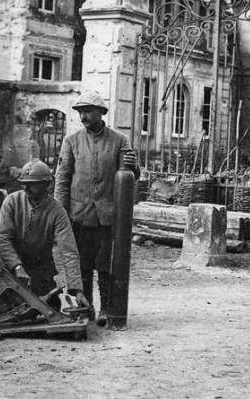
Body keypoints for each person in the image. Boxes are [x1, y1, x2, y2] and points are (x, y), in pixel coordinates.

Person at [55, 90, 140, 326]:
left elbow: (131, 176)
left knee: (105, 264)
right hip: (79, 215)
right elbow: (62, 179)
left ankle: (106, 309)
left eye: (87, 111)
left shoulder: (119, 140)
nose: (83, 116)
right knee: (81, 264)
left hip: (107, 216)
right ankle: (85, 308)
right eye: (80, 112)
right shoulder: (71, 141)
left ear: (100, 113)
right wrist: (60, 215)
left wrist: (135, 167)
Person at [0, 159, 90, 311]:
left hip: (40, 271)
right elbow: (2, 240)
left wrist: (77, 290)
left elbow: (69, 251)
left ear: (47, 184)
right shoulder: (12, 202)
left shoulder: (57, 212)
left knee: (48, 308)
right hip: (11, 268)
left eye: (32, 184)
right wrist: (17, 267)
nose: (26, 187)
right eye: (24, 183)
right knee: (0, 310)